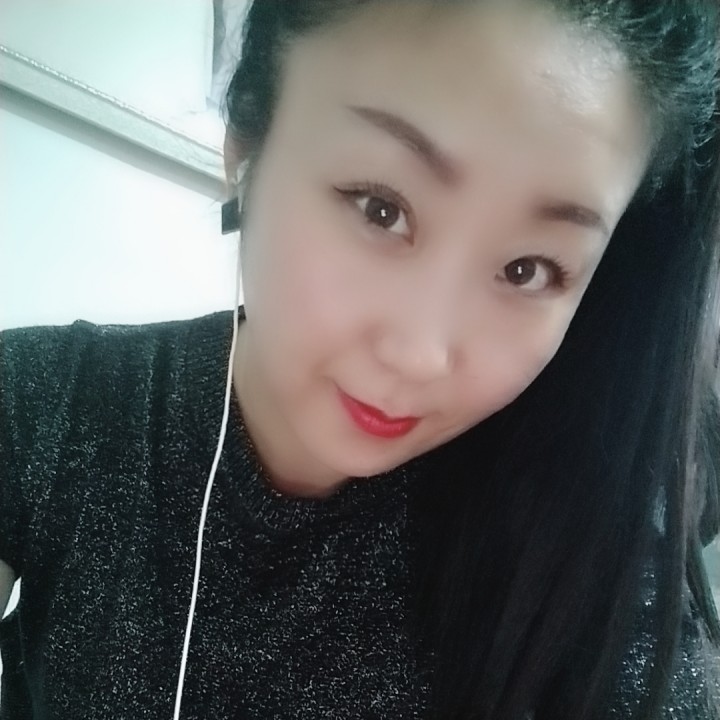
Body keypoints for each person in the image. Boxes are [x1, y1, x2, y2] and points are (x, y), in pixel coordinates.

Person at [1, 0, 719, 717]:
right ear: (246, 145)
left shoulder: (583, 552)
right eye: (381, 208)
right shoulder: (47, 406)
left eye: (527, 270)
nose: (419, 356)